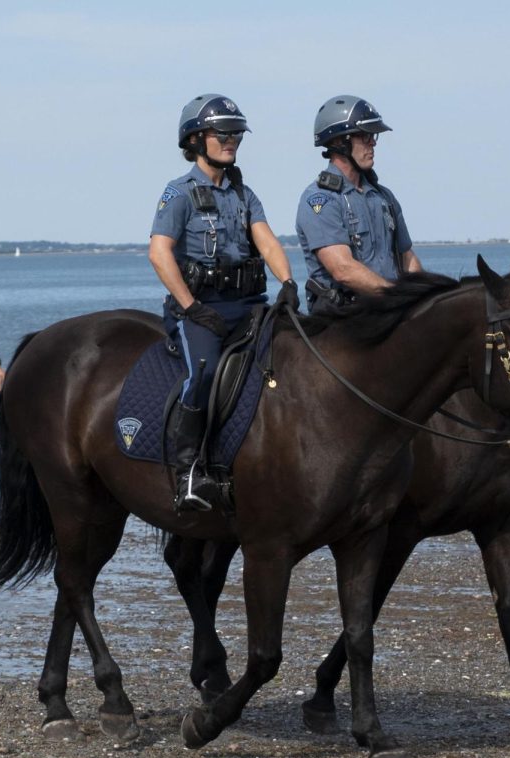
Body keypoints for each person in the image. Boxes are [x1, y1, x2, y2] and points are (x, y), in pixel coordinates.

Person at [148, 93, 296, 510]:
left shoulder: (243, 194)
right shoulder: (178, 194)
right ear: (196, 140)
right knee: (205, 372)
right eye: (223, 133)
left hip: (249, 302)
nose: (232, 140)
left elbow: (265, 239)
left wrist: (287, 281)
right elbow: (160, 254)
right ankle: (188, 473)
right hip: (200, 309)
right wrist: (191, 307)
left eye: (236, 134)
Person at [295, 94, 421, 313]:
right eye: (364, 136)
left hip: (388, 311)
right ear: (338, 142)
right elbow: (343, 270)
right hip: (346, 318)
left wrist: (426, 298)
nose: (372, 142)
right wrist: (397, 298)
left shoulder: (384, 197)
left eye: (372, 136)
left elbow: (408, 260)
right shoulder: (319, 200)